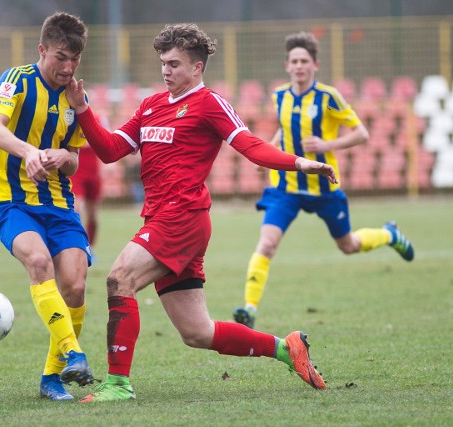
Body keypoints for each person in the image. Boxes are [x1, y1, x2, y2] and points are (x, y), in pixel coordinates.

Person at [66, 23, 337, 403]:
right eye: (163, 63)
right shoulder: (150, 106)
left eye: (174, 64)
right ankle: (286, 348)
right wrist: (82, 109)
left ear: (197, 67)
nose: (166, 71)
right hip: (161, 218)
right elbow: (110, 150)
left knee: (119, 279)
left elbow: (252, 147)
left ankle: (117, 385)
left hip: (183, 218)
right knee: (197, 333)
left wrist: (300, 163)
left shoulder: (210, 103)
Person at [233, 31, 415, 330]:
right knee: (266, 244)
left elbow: (361, 133)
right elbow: (284, 129)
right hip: (286, 188)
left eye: (305, 60)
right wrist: (268, 154)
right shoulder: (280, 96)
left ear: (314, 64)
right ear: (287, 65)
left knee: (348, 245)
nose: (299, 66)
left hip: (324, 187)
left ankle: (388, 235)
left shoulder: (328, 98)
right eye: (294, 61)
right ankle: (249, 308)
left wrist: (326, 146)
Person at [0, 12, 94, 401]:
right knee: (39, 262)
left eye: (75, 59)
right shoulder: (16, 80)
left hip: (59, 205)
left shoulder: (76, 97)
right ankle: (74, 353)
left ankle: (51, 378)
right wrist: (28, 151)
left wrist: (64, 156)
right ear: (42, 49)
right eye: (60, 57)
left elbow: (76, 158)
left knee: (76, 286)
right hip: (10, 201)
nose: (68, 67)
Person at [70, 141, 102, 260]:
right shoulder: (71, 122)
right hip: (77, 172)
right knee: (76, 209)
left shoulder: (100, 121)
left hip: (93, 173)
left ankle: (90, 248)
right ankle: (77, 247)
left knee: (93, 215)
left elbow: (105, 142)